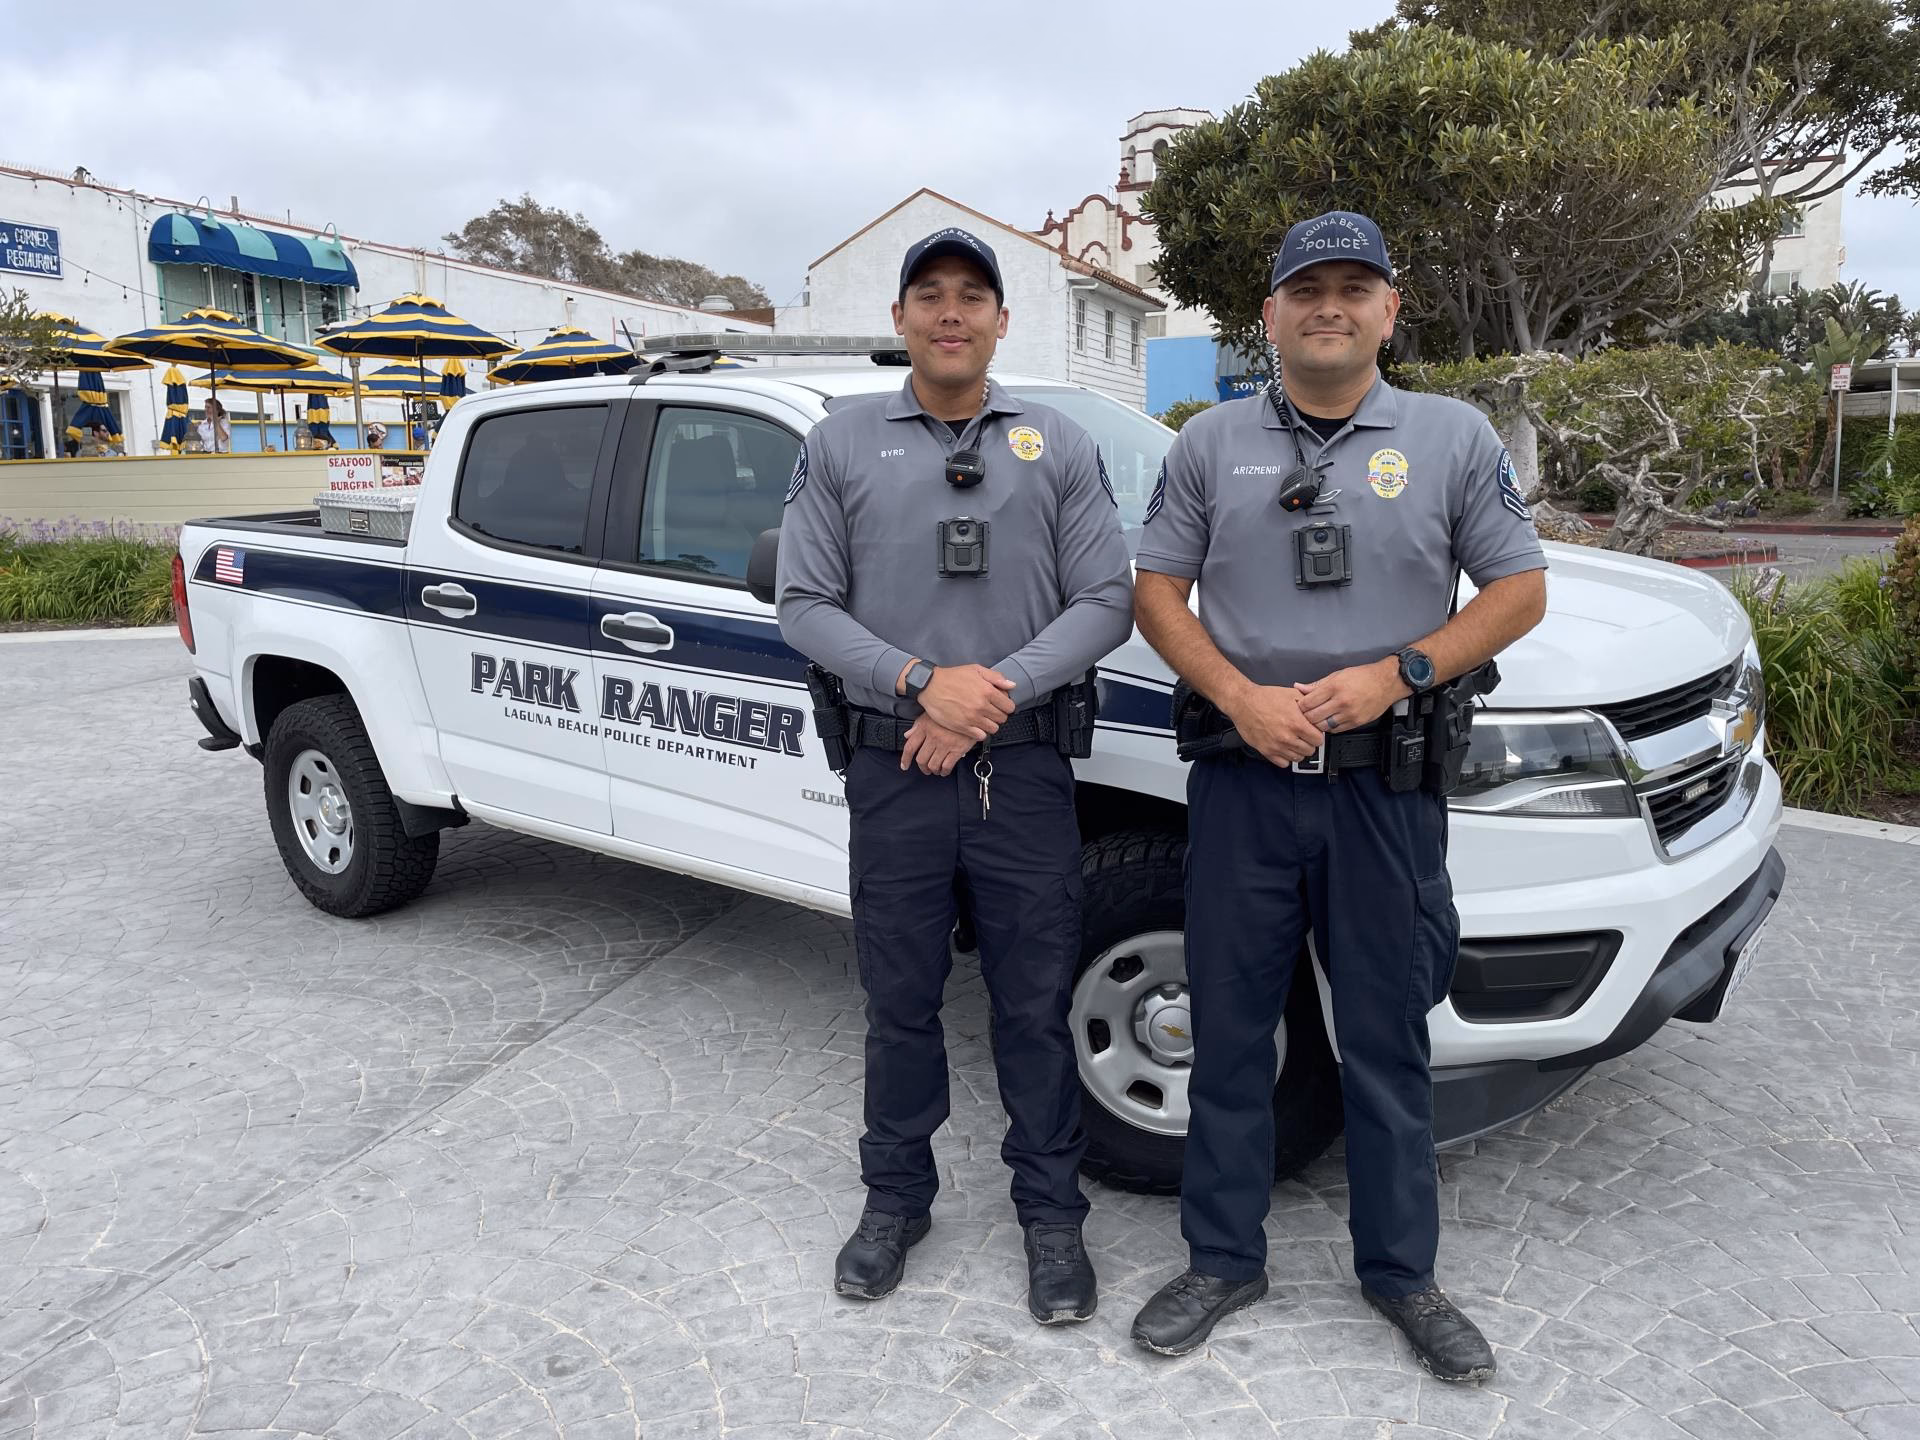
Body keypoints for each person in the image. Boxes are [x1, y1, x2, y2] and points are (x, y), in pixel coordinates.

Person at [1127, 211, 1548, 1377]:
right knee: (1228, 1029)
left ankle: (1403, 1275)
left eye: (1355, 286)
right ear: (1268, 315)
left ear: (1389, 309)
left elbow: (1518, 590)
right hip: (1243, 783)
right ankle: (1221, 1258)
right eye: (1306, 289)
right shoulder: (1209, 443)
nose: (1330, 306)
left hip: (1385, 793)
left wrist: (1399, 672)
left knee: (1385, 1036)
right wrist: (1238, 694)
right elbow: (1157, 591)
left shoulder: (1452, 437)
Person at [777, 228, 1132, 1323]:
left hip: (1021, 778)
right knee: (899, 1003)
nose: (950, 312)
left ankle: (1051, 1216)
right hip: (897, 775)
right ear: (900, 320)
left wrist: (995, 692)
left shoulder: (1059, 445)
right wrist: (920, 683)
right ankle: (896, 1201)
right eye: (928, 295)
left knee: (1032, 1006)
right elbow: (803, 604)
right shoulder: (841, 442)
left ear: (1000, 321)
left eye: (972, 296)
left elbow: (1107, 601)